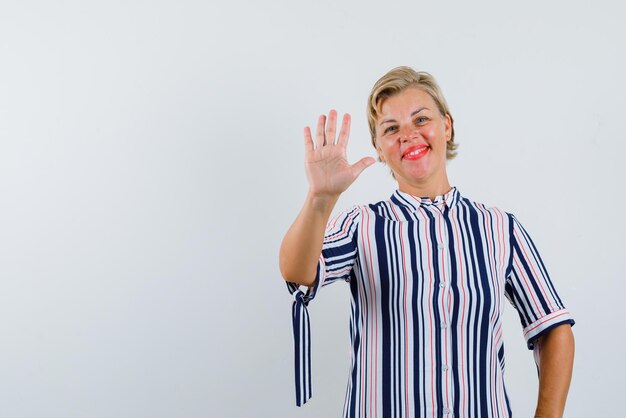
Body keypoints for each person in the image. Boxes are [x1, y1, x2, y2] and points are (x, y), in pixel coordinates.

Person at [279, 66, 575, 418]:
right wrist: (321, 197)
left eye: (421, 120)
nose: (408, 135)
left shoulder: (500, 228)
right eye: (391, 129)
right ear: (379, 148)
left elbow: (553, 327)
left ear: (446, 126)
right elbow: (297, 272)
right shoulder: (362, 225)